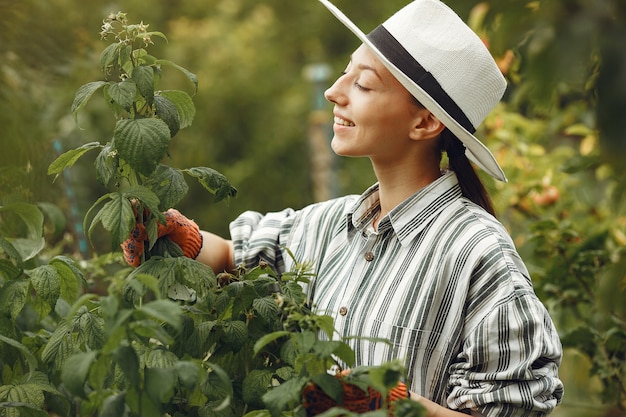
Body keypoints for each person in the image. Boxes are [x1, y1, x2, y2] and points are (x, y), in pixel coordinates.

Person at [124, 0, 564, 415]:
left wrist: (393, 404)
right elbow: (231, 260)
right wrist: (177, 236)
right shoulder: (329, 225)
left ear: (425, 121)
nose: (335, 92)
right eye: (344, 73)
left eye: (364, 83)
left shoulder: (478, 253)